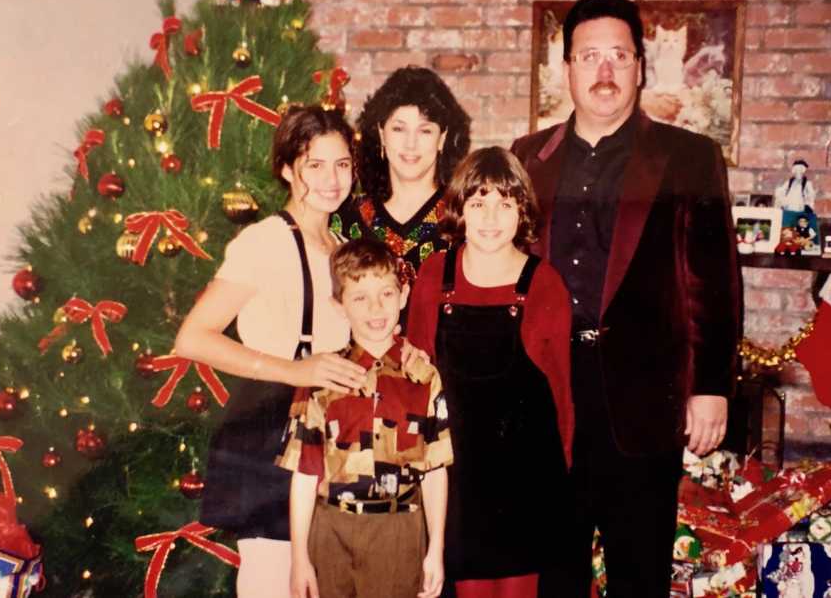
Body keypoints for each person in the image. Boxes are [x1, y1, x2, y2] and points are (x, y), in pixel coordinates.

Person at [511, 0, 742, 597]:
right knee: (552, 575)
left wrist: (711, 386)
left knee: (639, 576)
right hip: (548, 399)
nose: (605, 72)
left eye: (619, 55)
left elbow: (712, 279)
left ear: (641, 66)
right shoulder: (525, 158)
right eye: (590, 57)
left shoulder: (689, 156)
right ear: (567, 70)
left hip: (643, 400)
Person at [174, 105, 367, 598]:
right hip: (274, 438)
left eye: (342, 164)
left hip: (334, 438)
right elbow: (193, 337)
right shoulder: (264, 242)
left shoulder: (342, 245)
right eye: (315, 165)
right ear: (287, 169)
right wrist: (294, 367)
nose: (331, 178)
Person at [407, 147, 574, 598]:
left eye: (505, 203)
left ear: (523, 211)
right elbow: (413, 380)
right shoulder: (432, 276)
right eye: (478, 203)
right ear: (460, 210)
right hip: (457, 483)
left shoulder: (544, 283)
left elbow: (563, 397)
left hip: (527, 484)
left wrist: (563, 487)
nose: (491, 218)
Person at [278, 238, 453, 598]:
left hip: (399, 531)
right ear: (339, 306)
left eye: (386, 294)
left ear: (403, 296)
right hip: (330, 531)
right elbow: (305, 473)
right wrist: (299, 558)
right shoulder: (322, 378)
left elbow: (435, 470)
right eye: (359, 297)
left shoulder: (423, 377)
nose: (376, 308)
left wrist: (435, 550)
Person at [337, 66, 471, 285]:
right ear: (381, 133)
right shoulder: (345, 219)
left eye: (425, 131)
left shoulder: (464, 220)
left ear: (442, 139)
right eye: (399, 129)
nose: (411, 144)